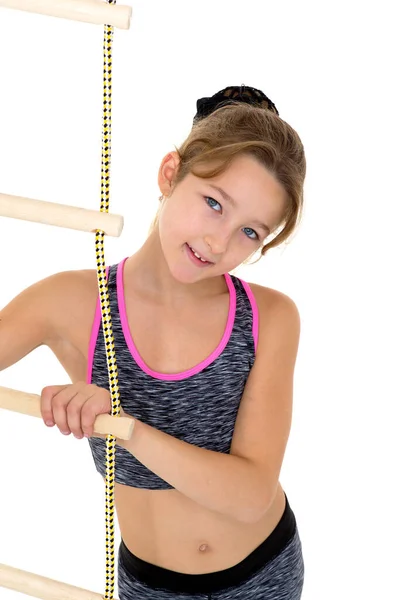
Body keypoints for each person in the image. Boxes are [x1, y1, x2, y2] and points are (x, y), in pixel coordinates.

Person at [0, 85, 306, 599]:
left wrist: (126, 427)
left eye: (251, 233)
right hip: (150, 586)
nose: (219, 242)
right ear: (170, 174)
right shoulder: (72, 302)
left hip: (263, 575)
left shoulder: (269, 318)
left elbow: (251, 494)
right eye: (213, 203)